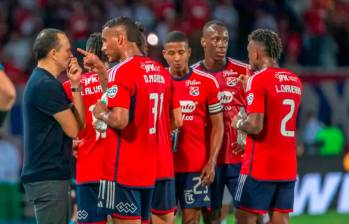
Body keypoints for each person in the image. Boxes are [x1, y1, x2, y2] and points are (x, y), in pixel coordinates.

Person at [78, 16, 173, 224]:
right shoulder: (161, 72)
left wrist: (100, 113)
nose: (102, 48)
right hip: (154, 168)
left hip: (125, 170)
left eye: (105, 40)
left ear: (120, 39)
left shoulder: (121, 71)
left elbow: (120, 120)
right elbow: (173, 121)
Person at [232, 29, 302, 224]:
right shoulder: (294, 80)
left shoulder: (258, 79)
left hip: (260, 166)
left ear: (256, 52)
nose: (248, 57)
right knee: (280, 219)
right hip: (287, 166)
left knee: (244, 218)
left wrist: (237, 121)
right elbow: (276, 109)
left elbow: (255, 126)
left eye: (248, 52)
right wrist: (251, 90)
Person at [21, 28, 85, 224]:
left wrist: (74, 84)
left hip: (48, 175)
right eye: (67, 50)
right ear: (53, 53)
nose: (71, 54)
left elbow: (74, 127)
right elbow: (75, 129)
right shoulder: (46, 85)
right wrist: (75, 87)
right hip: (48, 177)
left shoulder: (41, 81)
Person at [192, 20, 250, 223]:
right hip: (208, 160)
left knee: (248, 215)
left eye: (225, 39)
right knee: (211, 217)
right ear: (203, 41)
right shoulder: (193, 75)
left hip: (239, 157)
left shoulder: (245, 72)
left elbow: (258, 110)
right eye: (215, 39)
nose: (221, 43)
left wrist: (246, 135)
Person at [163, 30, 224, 224]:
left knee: (192, 219)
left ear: (189, 52)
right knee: (164, 219)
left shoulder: (207, 82)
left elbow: (218, 125)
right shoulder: (157, 81)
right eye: (171, 53)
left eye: (181, 52)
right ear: (164, 54)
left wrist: (212, 161)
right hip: (164, 166)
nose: (177, 58)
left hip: (195, 166)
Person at [63, 32, 115, 224]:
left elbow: (59, 124)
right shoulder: (120, 82)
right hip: (116, 169)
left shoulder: (70, 86)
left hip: (87, 167)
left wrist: (70, 142)